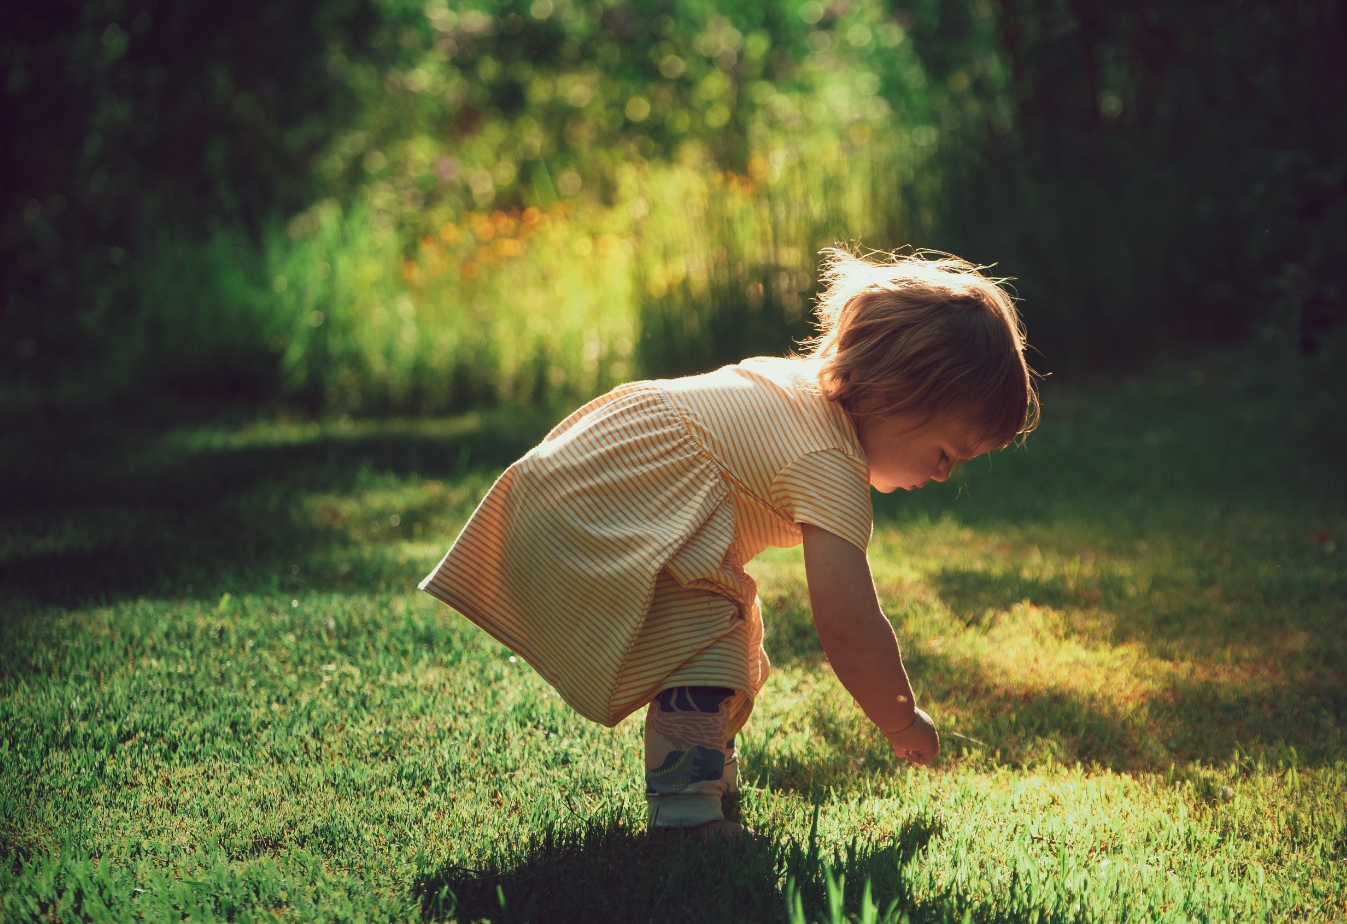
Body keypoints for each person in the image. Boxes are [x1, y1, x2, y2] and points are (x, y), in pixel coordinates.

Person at [420, 247, 1039, 837]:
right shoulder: (829, 462)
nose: (942, 475)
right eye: (946, 453)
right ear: (891, 397)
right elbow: (849, 624)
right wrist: (900, 716)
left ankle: (704, 771)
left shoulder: (800, 391)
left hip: (577, 483)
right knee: (708, 632)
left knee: (728, 618)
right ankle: (687, 815)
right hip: (599, 509)